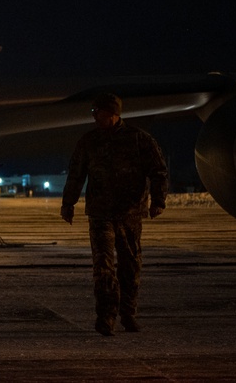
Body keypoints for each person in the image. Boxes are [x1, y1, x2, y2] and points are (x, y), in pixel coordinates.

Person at [61, 93, 168, 336]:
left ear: (111, 113)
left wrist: (158, 201)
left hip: (130, 213)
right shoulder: (89, 141)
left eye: (96, 112)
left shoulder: (140, 139)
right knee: (103, 266)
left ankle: (128, 313)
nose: (94, 117)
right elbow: (76, 174)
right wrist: (68, 204)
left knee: (130, 265)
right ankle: (106, 317)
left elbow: (159, 171)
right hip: (100, 214)